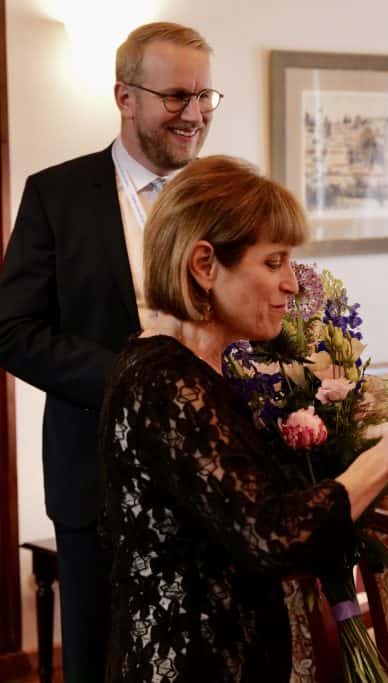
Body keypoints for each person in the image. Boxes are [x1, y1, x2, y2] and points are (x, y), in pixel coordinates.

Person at [98, 155, 388, 682]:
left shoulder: (199, 370)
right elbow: (273, 535)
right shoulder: (167, 382)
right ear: (204, 265)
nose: (292, 283)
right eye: (273, 263)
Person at [0, 22, 218, 682]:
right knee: (100, 663)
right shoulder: (56, 195)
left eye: (206, 96)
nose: (196, 114)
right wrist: (133, 376)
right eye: (178, 96)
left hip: (211, 484)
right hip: (95, 483)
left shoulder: (224, 197)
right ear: (126, 96)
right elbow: (13, 332)